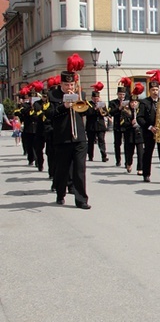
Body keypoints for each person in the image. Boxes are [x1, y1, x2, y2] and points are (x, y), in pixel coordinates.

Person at [50, 61, 90, 210]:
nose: (69, 88)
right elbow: (50, 114)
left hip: (79, 138)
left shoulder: (81, 94)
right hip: (63, 139)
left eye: (72, 85)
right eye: (67, 85)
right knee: (62, 169)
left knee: (80, 169)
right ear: (61, 84)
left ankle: (81, 200)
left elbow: (87, 112)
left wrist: (82, 103)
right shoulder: (54, 96)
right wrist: (63, 106)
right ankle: (60, 194)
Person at [137, 75, 160, 184]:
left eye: (157, 89)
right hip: (149, 132)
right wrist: (149, 127)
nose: (155, 92)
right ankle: (146, 174)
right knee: (148, 153)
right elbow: (139, 118)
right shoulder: (144, 102)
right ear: (149, 90)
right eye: (153, 90)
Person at [121, 86, 144, 175]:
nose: (134, 104)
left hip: (139, 134)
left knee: (140, 152)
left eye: (135, 102)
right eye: (132, 102)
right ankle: (129, 163)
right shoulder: (125, 111)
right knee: (129, 151)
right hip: (129, 134)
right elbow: (122, 123)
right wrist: (131, 123)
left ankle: (140, 168)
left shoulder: (140, 111)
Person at [85, 87, 109, 162]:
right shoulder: (88, 104)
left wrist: (102, 111)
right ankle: (90, 156)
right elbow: (87, 113)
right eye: (95, 98)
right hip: (91, 126)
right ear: (92, 98)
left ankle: (104, 156)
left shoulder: (102, 104)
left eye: (97, 98)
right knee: (90, 141)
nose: (96, 99)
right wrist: (94, 109)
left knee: (101, 140)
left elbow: (106, 113)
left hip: (100, 126)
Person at [108, 85, 128, 167]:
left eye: (123, 94)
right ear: (117, 94)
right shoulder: (112, 102)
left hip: (126, 125)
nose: (121, 96)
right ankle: (118, 160)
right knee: (117, 144)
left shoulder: (128, 101)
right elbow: (111, 113)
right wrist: (119, 108)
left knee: (127, 144)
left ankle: (127, 161)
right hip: (117, 125)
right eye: (120, 94)